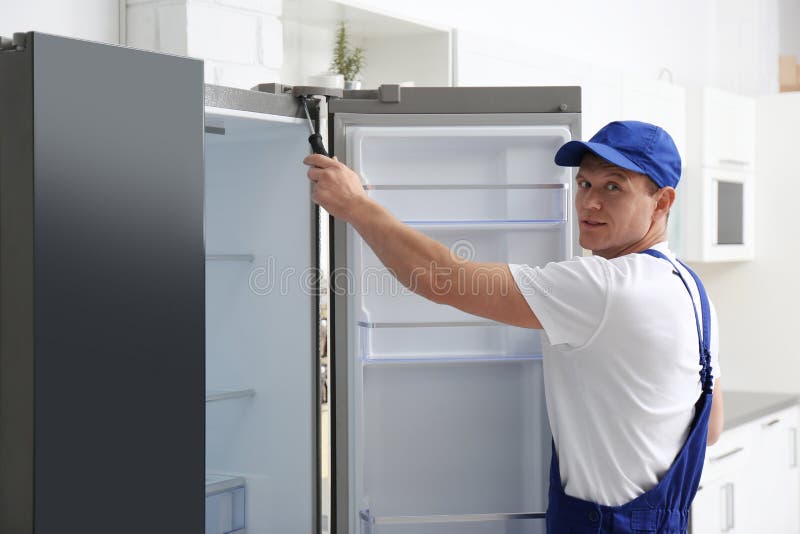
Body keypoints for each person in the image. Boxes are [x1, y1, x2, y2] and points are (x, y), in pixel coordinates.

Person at [304, 120, 724, 534]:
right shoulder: (690, 289)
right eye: (584, 184)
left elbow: (441, 278)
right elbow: (711, 429)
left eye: (614, 187)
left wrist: (356, 205)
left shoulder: (605, 287)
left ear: (662, 202)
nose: (590, 203)